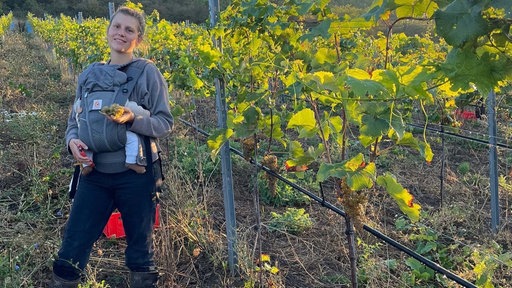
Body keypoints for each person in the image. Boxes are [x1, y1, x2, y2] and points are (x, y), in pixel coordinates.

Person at [51, 6, 173, 288]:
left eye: (129, 30)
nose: (121, 33)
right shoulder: (89, 74)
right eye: (117, 27)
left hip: (136, 177)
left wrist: (133, 119)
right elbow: (75, 119)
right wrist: (72, 142)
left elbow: (165, 123)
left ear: (138, 39)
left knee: (140, 253)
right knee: (73, 246)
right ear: (108, 30)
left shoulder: (147, 73)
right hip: (94, 175)